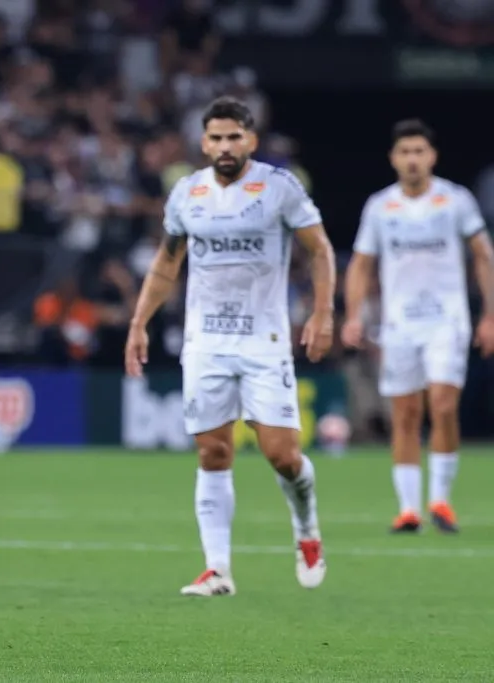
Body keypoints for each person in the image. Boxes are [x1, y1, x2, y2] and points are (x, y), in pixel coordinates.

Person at [124, 96, 335, 597]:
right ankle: (217, 569)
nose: (224, 146)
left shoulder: (279, 188)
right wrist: (139, 322)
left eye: (234, 137)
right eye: (215, 138)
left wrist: (324, 312)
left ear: (251, 140)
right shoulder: (187, 193)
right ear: (203, 143)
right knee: (213, 452)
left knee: (282, 455)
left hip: (264, 340)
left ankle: (307, 530)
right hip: (206, 342)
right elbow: (166, 264)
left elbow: (320, 249)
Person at [342, 119, 494, 534]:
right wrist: (353, 315)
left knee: (443, 405)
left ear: (432, 156)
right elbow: (361, 264)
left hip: (447, 318)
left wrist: (490, 315)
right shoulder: (380, 206)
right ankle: (408, 509)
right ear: (394, 158)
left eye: (419, 152)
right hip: (400, 323)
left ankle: (440, 500)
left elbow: (483, 254)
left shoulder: (455, 200)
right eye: (405, 152)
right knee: (405, 413)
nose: (412, 159)